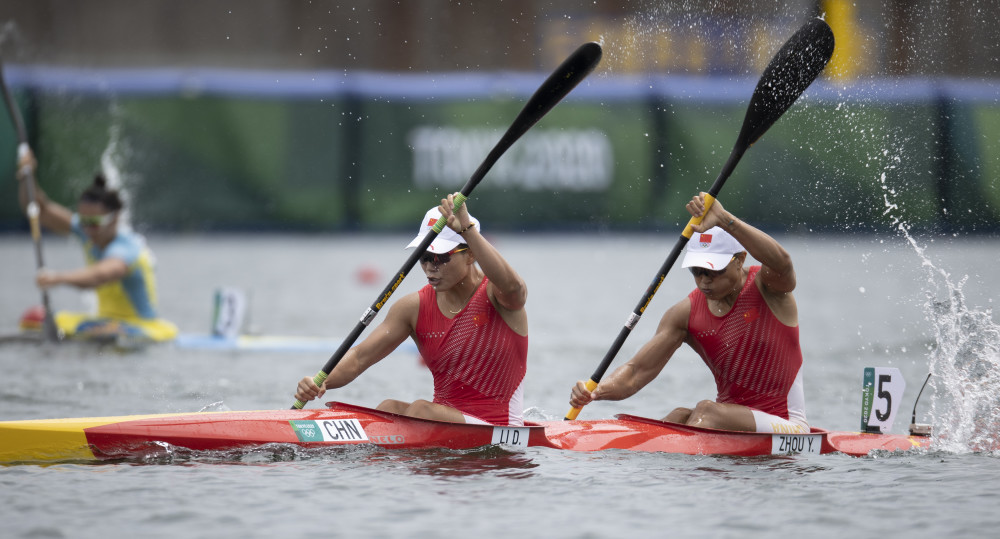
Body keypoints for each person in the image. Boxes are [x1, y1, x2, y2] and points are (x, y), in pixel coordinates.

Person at [570, 192, 808, 434]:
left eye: (713, 270)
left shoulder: (769, 288)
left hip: (786, 424)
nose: (704, 281)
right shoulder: (684, 313)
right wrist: (596, 391)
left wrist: (724, 218)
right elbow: (636, 372)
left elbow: (783, 263)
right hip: (727, 422)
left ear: (739, 260)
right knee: (679, 416)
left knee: (705, 411)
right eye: (696, 271)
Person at [294, 193, 529, 425]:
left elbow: (514, 286)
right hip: (440, 422)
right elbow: (359, 358)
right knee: (389, 409)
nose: (429, 267)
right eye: (423, 257)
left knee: (419, 409)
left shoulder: (498, 296)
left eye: (439, 258)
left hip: (499, 427)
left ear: (470, 255)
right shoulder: (412, 308)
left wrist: (466, 228)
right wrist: (321, 381)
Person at [15, 149, 178, 343]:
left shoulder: (125, 248)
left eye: (94, 222)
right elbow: (39, 210)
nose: (87, 228)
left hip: (140, 326)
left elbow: (99, 275)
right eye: (83, 220)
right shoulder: (87, 229)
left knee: (101, 334)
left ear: (115, 218)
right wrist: (27, 176)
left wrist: (57, 278)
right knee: (33, 318)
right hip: (105, 323)